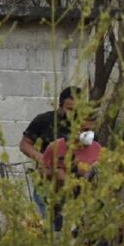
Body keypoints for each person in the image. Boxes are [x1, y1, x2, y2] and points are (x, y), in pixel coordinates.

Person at [20, 86, 80, 215]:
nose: (72, 114)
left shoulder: (83, 125)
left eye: (77, 110)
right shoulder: (44, 120)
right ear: (60, 105)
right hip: (47, 180)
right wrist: (41, 157)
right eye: (69, 109)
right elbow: (25, 144)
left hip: (73, 185)